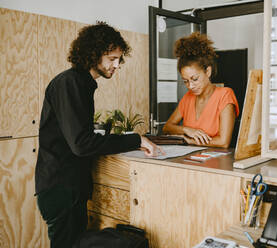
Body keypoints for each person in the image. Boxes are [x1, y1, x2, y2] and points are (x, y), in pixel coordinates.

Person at [35, 22, 163, 248]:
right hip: (61, 188)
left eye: (119, 59)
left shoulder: (81, 83)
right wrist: (136, 139)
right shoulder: (71, 82)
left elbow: (76, 135)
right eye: (112, 58)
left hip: (68, 187)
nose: (117, 65)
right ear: (93, 54)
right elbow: (81, 144)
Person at [162, 32, 239, 148]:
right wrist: (187, 130)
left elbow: (223, 142)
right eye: (186, 81)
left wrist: (188, 141)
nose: (191, 86)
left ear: (208, 72)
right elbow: (167, 127)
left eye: (195, 79)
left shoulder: (225, 95)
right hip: (188, 160)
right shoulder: (188, 97)